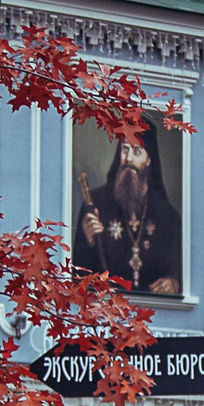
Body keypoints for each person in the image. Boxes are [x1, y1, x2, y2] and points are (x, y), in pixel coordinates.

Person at [74, 123, 183, 294]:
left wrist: (173, 283)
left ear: (149, 160)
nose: (129, 158)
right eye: (125, 150)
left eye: (137, 151)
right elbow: (78, 275)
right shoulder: (96, 203)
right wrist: (87, 242)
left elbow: (178, 269)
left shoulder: (167, 215)